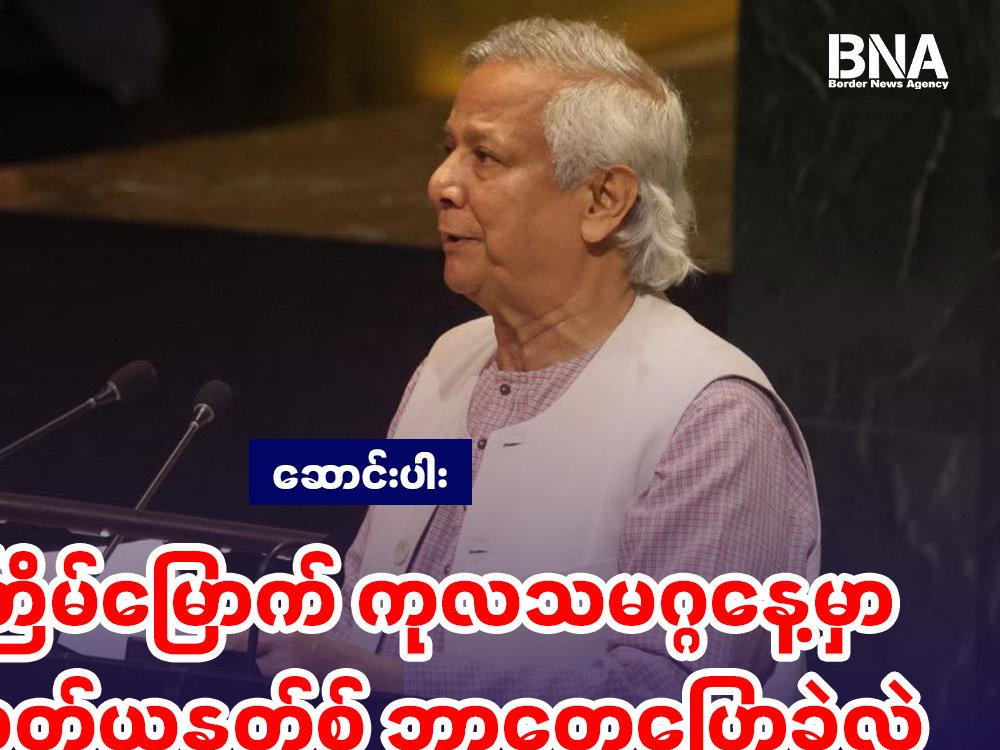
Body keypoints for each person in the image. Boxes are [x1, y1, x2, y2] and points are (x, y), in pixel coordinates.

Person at [242, 18, 820, 703]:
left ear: (603, 200)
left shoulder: (712, 416)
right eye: (449, 150)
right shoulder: (449, 362)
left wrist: (391, 685)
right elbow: (366, 601)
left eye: (484, 157)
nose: (440, 183)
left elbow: (667, 697)